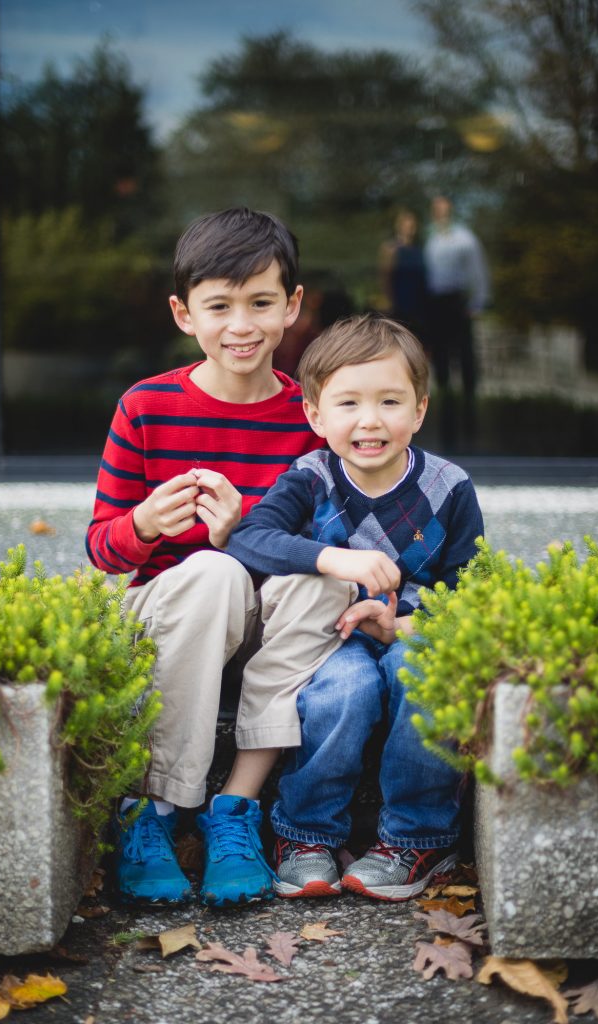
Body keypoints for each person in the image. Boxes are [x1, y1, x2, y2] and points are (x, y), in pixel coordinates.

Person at [86, 207, 355, 907]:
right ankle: (153, 808)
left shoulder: (311, 417)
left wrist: (245, 534)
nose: (241, 324)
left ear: (291, 307)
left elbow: (325, 542)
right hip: (174, 609)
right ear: (184, 314)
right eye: (219, 306)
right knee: (211, 570)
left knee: (323, 574)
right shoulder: (146, 407)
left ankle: (233, 808)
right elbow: (101, 552)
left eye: (261, 303)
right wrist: (143, 523)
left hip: (268, 621)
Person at [226, 313, 484, 901]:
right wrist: (333, 560)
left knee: (419, 676)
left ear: (419, 410)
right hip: (330, 638)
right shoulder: (311, 477)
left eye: (390, 401)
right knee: (343, 692)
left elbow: (472, 589)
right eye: (347, 404)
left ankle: (419, 838)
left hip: (415, 631)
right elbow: (249, 536)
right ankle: (305, 834)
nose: (370, 420)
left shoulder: (449, 486)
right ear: (315, 415)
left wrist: (406, 625)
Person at [423, 195, 489, 446]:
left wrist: (478, 302)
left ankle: (469, 403)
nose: (439, 213)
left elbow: (477, 270)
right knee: (441, 353)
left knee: (464, 352)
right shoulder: (430, 238)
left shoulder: (464, 238)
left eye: (443, 209)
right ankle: (446, 399)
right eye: (435, 209)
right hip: (436, 302)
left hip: (457, 300)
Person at [378, 208, 428, 338]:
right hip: (399, 304)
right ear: (399, 226)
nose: (409, 228)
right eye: (406, 225)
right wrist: (389, 302)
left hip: (419, 304)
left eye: (412, 225)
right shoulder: (390, 249)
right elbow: (386, 277)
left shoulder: (419, 250)